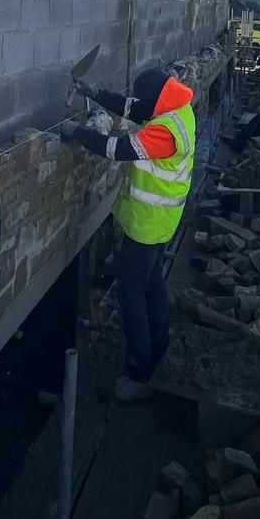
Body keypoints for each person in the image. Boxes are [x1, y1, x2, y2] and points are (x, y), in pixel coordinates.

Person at [61, 66, 196, 402]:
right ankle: (159, 346)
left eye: (142, 99)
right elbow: (132, 108)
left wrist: (74, 131)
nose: (138, 104)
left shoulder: (165, 132)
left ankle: (138, 371)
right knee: (153, 285)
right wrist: (94, 93)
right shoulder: (177, 109)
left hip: (147, 225)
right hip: (162, 221)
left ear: (155, 98)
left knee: (131, 294)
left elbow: (116, 150)